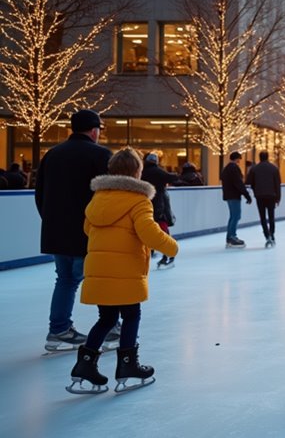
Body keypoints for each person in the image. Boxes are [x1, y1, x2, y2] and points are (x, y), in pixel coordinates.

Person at [66, 147, 179, 394]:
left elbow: (87, 229)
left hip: (99, 269)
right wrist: (172, 246)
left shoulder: (98, 199)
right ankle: (128, 365)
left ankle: (84, 366)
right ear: (138, 171)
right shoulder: (138, 200)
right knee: (131, 315)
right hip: (125, 271)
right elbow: (149, 232)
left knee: (106, 318)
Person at [35, 109, 114, 352]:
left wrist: (52, 221)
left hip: (56, 231)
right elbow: (109, 196)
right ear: (94, 130)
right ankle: (111, 328)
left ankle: (58, 330)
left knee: (66, 280)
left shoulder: (52, 154)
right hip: (88, 232)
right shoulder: (100, 155)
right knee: (100, 277)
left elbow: (40, 193)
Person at [141, 153, 179, 269]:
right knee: (163, 231)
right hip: (159, 206)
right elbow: (172, 177)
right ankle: (168, 255)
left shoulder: (142, 172)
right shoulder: (158, 171)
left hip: (144, 205)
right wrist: (176, 174)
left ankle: (149, 251)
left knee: (146, 229)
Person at [246, 151, 281, 248]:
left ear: (259, 157)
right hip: (271, 195)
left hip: (260, 195)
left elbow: (249, 182)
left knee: (262, 217)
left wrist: (255, 190)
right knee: (271, 216)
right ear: (267, 157)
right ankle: (272, 234)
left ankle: (267, 235)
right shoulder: (274, 168)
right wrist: (278, 197)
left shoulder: (254, 169)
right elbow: (277, 184)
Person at [221, 151, 251, 248]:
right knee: (236, 216)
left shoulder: (226, 168)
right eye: (239, 159)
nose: (239, 161)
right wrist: (247, 195)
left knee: (233, 216)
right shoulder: (234, 168)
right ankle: (232, 237)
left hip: (229, 195)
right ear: (237, 159)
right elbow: (238, 183)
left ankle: (230, 236)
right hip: (234, 195)